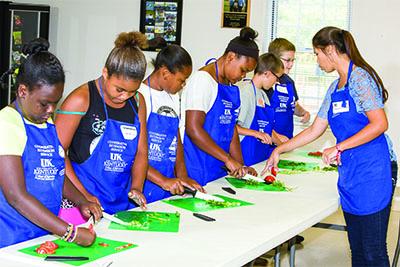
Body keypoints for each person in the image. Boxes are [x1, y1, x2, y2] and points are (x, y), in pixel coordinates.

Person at [264, 26, 393, 266]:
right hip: (351, 173)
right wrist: (279, 149)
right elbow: (315, 129)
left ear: (330, 50)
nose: (317, 60)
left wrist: (339, 147)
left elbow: (379, 123)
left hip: (373, 171)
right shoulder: (335, 88)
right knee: (358, 250)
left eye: (317, 53)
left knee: (373, 251)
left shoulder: (361, 79)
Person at [0, 38, 101, 248]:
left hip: (42, 235)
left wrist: (82, 200)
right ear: (22, 91)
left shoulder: (46, 123)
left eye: (56, 103)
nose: (51, 110)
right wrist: (70, 232)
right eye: (45, 104)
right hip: (11, 238)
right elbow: (16, 196)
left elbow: (55, 173)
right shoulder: (7, 123)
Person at [55, 31, 148, 218]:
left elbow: (141, 151)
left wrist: (137, 187)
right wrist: (83, 196)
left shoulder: (138, 101)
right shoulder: (81, 99)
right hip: (78, 203)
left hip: (118, 200)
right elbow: (57, 153)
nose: (125, 96)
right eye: (119, 89)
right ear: (105, 73)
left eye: (132, 91)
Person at [181, 26, 259, 186]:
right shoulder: (203, 80)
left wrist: (240, 165)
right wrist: (228, 159)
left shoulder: (231, 86)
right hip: (197, 165)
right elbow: (193, 128)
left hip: (219, 166)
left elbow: (231, 129)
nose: (243, 76)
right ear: (230, 57)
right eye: (243, 70)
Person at [139, 44, 204, 203]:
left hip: (168, 182)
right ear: (165, 73)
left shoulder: (173, 96)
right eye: (181, 80)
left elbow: (176, 141)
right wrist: (162, 180)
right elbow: (135, 154)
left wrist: (183, 176)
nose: (184, 85)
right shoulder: (141, 95)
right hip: (145, 182)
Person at [237, 53, 285, 166]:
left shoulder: (263, 95)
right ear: (267, 74)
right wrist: (256, 133)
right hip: (245, 154)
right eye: (277, 77)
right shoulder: (246, 92)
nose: (277, 82)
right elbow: (233, 128)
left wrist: (282, 146)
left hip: (260, 155)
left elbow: (266, 129)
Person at [266, 38, 311, 141]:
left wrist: (304, 112)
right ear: (274, 59)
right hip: (268, 140)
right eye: (287, 60)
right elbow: (257, 117)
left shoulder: (288, 81)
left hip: (287, 140)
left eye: (293, 60)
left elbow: (292, 105)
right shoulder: (266, 82)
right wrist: (276, 137)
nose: (291, 65)